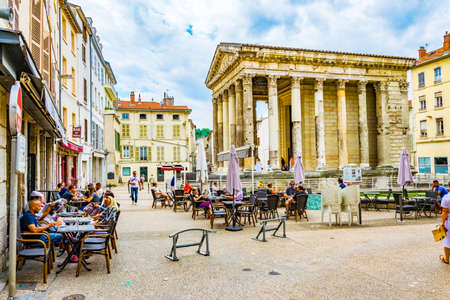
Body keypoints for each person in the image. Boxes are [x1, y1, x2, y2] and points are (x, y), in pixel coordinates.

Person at [439, 183, 450, 264]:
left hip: (449, 221)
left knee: (447, 240)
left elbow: (444, 212)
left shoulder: (446, 197)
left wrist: (442, 223)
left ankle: (446, 258)